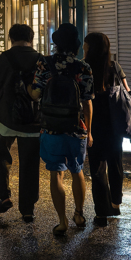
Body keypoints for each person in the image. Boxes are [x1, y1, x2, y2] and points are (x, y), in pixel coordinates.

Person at [30, 23, 94, 236]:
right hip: (76, 128)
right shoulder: (83, 67)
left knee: (56, 173)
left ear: (56, 43)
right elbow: (87, 102)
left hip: (50, 128)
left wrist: (27, 86)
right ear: (75, 44)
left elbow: (36, 95)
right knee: (77, 171)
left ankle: (62, 221)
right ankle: (79, 213)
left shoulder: (44, 63)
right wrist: (89, 131)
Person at [0, 23, 42, 222]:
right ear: (31, 38)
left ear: (11, 38)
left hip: (6, 118)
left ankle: (4, 197)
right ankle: (27, 209)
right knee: (30, 163)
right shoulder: (39, 59)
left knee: (0, 154)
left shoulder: (6, 57)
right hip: (34, 120)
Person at [84, 31, 128, 226]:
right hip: (115, 124)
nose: (83, 47)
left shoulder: (85, 69)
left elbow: (84, 99)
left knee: (97, 168)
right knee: (115, 163)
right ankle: (115, 204)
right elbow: (127, 93)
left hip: (94, 124)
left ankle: (101, 213)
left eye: (85, 44)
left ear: (90, 47)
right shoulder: (114, 67)